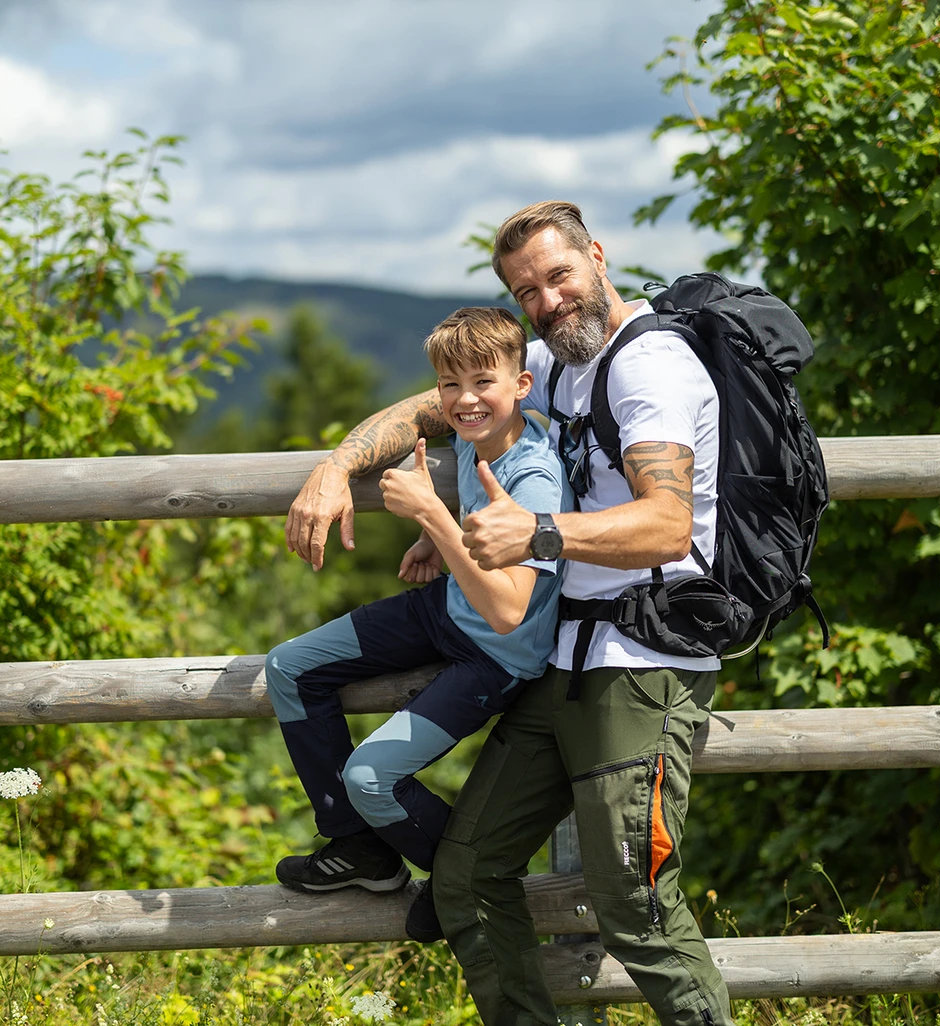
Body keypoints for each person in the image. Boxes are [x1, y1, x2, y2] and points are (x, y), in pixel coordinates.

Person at [285, 201, 735, 1026]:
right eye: (527, 290)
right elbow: (435, 407)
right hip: (561, 660)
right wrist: (334, 467)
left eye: (559, 275)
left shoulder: (649, 368)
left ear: (597, 258)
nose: (548, 300)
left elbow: (668, 525)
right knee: (464, 876)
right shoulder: (553, 359)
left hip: (640, 667)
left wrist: (530, 532)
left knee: (633, 906)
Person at [266, 306, 566, 944]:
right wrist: (341, 471)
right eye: (450, 385)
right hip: (447, 606)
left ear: (523, 384)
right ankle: (359, 848)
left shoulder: (535, 474)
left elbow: (510, 611)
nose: (465, 400)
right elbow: (415, 433)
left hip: (497, 654)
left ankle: (466, 877)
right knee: (289, 667)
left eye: (483, 382)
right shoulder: (475, 430)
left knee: (371, 776)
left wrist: (435, 519)